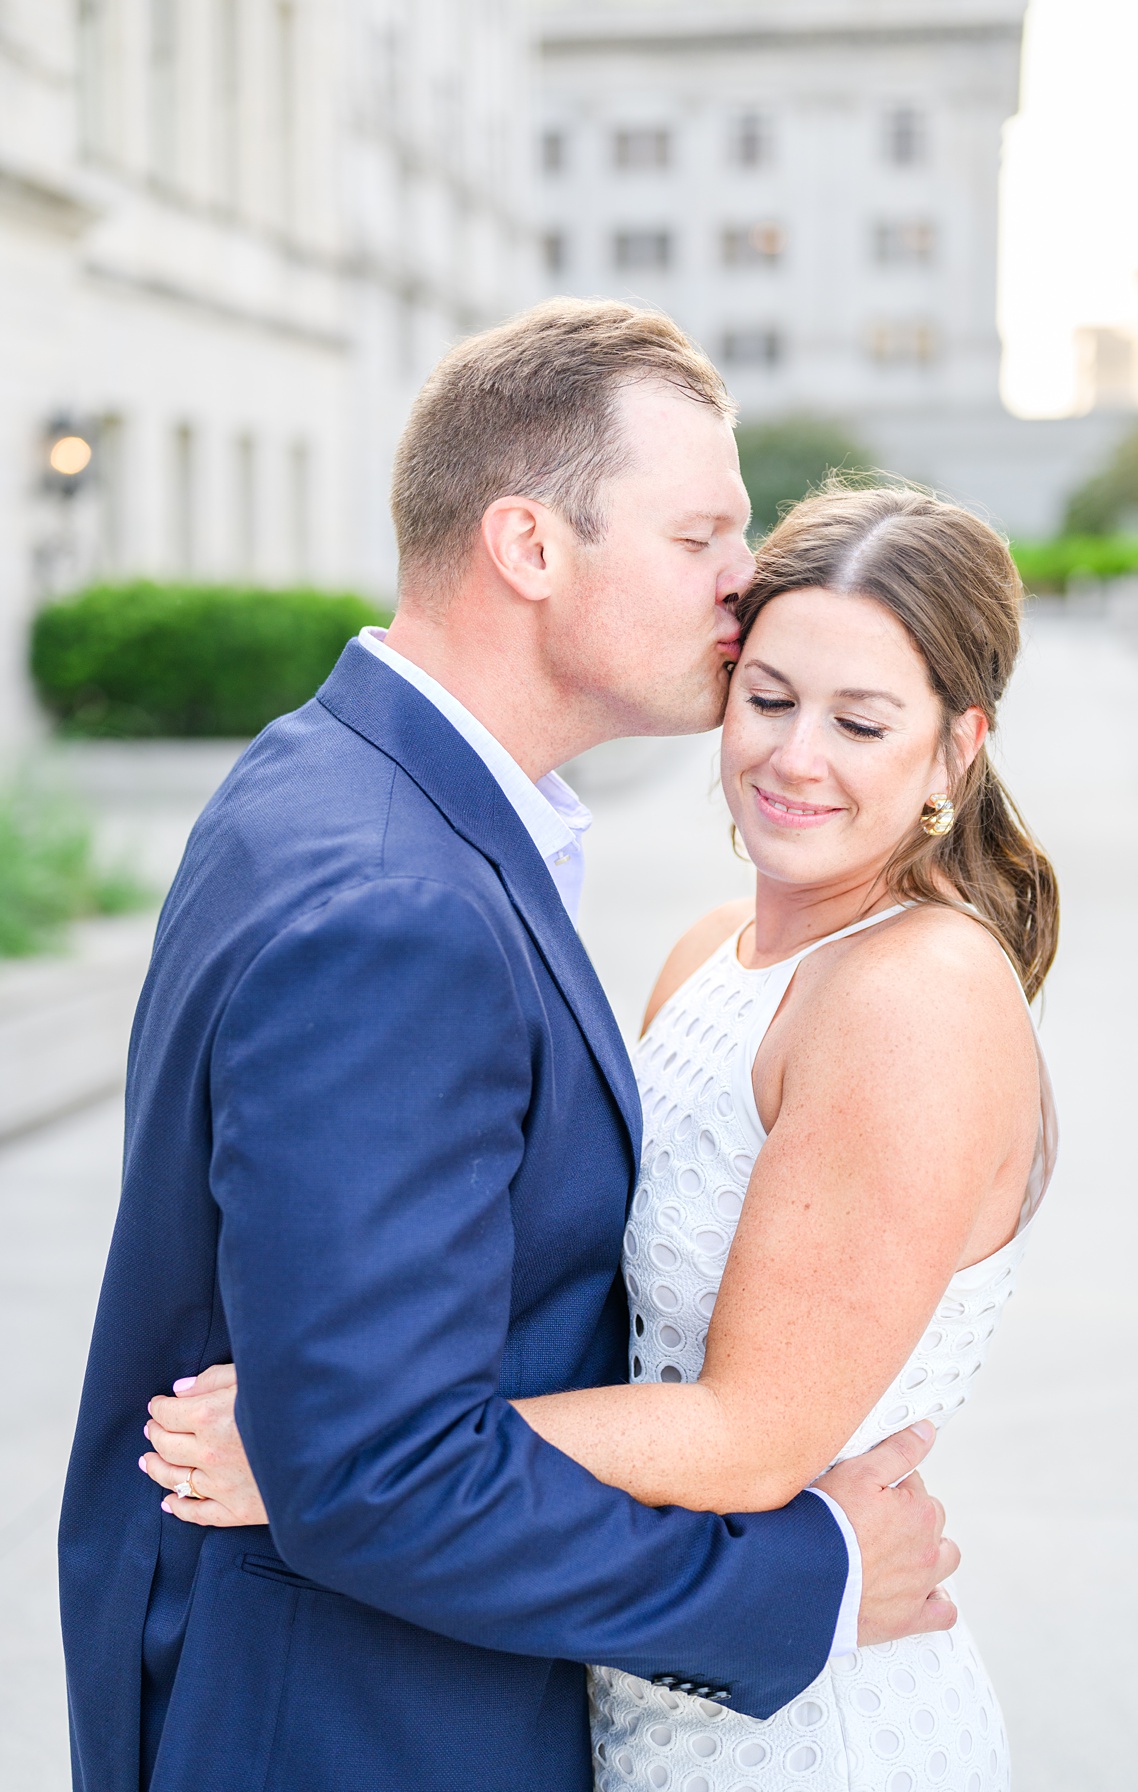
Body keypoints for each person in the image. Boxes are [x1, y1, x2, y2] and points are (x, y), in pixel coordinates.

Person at [62, 302, 961, 1792]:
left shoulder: (321, 775)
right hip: (353, 1729)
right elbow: (377, 1479)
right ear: (531, 549)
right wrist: (809, 1583)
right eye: (700, 538)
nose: (747, 587)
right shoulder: (397, 906)